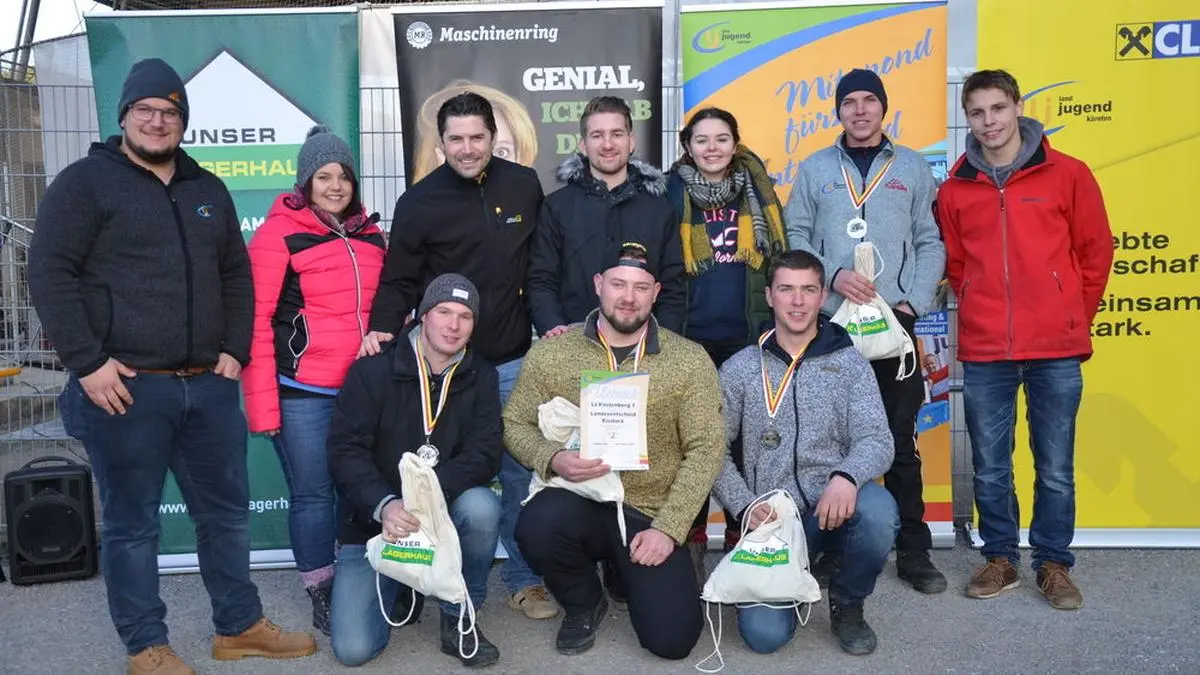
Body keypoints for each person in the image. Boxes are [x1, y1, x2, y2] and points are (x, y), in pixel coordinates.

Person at [28, 58, 316, 675]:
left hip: (207, 388)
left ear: (183, 122)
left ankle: (238, 626)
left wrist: (235, 349)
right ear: (124, 116)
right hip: (126, 390)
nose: (157, 122)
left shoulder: (206, 188)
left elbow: (235, 273)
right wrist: (88, 362)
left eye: (170, 112)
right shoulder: (84, 184)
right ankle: (145, 647)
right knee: (132, 526)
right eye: (146, 110)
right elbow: (49, 272)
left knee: (225, 516)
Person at [360, 92, 558, 622]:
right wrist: (381, 329)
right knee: (429, 467)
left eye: (476, 137)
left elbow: (539, 266)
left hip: (512, 361)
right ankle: (416, 569)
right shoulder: (419, 202)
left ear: (492, 137)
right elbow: (399, 279)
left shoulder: (524, 185)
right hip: (444, 368)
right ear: (441, 142)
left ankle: (524, 579)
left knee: (518, 475)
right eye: (456, 139)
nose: (467, 148)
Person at [935, 69, 1113, 611]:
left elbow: (1095, 251)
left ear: (1017, 107)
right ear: (968, 118)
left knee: (1054, 466)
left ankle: (1054, 564)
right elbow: (957, 264)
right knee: (991, 465)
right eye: (977, 112)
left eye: (998, 108)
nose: (989, 121)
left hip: (1055, 347)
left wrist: (1070, 317)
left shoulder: (1069, 173)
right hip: (987, 348)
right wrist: (977, 303)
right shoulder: (955, 188)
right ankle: (1001, 559)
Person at [504, 242, 725, 660]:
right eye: (618, 284)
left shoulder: (689, 360)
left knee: (672, 641)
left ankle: (626, 573)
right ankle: (584, 601)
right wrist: (553, 459)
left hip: (649, 510)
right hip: (581, 497)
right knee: (537, 525)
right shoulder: (553, 352)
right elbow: (514, 423)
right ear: (598, 285)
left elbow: (706, 449)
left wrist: (669, 529)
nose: (628, 297)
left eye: (640, 287)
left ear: (656, 293)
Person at [784, 68, 947, 594]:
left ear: (883, 107)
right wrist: (830, 275)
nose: (859, 110)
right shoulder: (815, 168)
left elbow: (930, 240)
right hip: (831, 326)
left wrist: (912, 303)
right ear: (838, 110)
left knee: (899, 439)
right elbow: (795, 233)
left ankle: (915, 550)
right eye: (849, 101)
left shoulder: (913, 167)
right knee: (827, 440)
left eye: (868, 101)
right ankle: (835, 548)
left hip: (892, 329)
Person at [713, 250, 898, 656]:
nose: (797, 301)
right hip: (773, 521)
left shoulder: (849, 363)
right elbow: (712, 449)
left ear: (822, 297)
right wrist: (744, 505)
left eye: (808, 290)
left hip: (833, 508)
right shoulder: (741, 368)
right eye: (786, 289)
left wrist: (846, 477)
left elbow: (877, 439)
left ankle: (847, 601)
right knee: (764, 638)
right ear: (769, 296)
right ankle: (792, 579)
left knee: (878, 512)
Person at [242, 125, 386, 635]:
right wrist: (263, 408)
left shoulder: (370, 235)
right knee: (312, 494)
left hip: (361, 391)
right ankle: (320, 588)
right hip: (303, 392)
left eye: (343, 176)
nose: (335, 186)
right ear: (305, 182)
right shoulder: (278, 234)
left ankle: (359, 578)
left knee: (359, 487)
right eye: (323, 176)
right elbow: (255, 322)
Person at [327, 274, 504, 668]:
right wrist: (385, 504)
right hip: (379, 522)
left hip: (442, 513)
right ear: (423, 315)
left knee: (482, 509)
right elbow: (345, 451)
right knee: (354, 650)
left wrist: (427, 493)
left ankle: (458, 615)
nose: (453, 325)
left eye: (465, 316)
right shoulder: (372, 371)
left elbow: (485, 453)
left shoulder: (482, 376)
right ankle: (406, 582)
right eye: (443, 312)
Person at [665, 106, 790, 576]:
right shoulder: (669, 193)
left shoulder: (758, 188)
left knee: (746, 444)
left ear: (735, 144)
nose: (712, 148)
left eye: (721, 139)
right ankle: (692, 538)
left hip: (747, 337)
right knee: (690, 444)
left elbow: (777, 260)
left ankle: (745, 536)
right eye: (701, 140)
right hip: (689, 339)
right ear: (687, 146)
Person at [527, 95, 686, 338]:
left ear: (631, 141)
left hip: (642, 346)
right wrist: (553, 328)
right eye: (597, 135)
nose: (608, 144)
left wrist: (663, 339)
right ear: (583, 145)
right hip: (574, 342)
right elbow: (541, 279)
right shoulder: (556, 206)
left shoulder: (659, 209)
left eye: (617, 134)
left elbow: (672, 284)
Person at [410, 79, 539, 182]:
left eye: (502, 152)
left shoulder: (529, 192)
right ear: (440, 149)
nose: (468, 151)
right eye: (457, 139)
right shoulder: (417, 201)